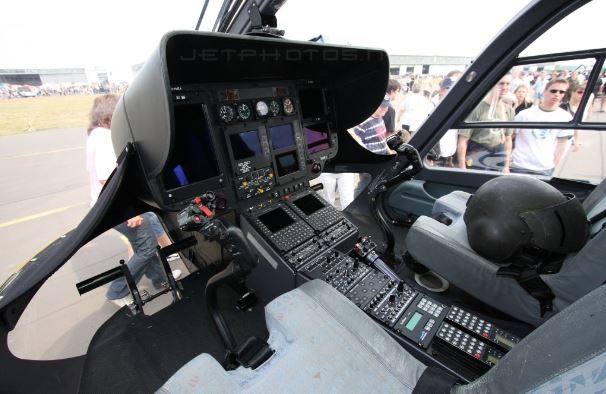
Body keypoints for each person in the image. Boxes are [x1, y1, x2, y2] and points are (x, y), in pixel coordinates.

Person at [85, 94, 179, 307]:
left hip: (109, 204)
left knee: (147, 240)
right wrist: (132, 212)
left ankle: (161, 281)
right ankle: (117, 291)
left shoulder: (95, 134)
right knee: (145, 247)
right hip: (116, 207)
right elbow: (105, 179)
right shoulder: (104, 139)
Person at [511, 78, 573, 176]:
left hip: (545, 167)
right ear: (545, 91)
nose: (557, 94)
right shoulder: (525, 114)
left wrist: (554, 163)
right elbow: (511, 136)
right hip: (519, 165)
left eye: (561, 92)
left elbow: (562, 144)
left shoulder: (565, 117)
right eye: (553, 91)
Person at [456, 73, 515, 173]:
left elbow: (508, 139)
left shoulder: (509, 110)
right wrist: (462, 168)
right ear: (492, 84)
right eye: (501, 83)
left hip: (498, 152)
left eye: (508, 84)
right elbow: (463, 140)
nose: (504, 87)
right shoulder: (476, 108)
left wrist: (506, 165)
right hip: (478, 151)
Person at [559, 81, 593, 152]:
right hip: (558, 139)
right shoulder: (562, 107)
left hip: (567, 140)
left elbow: (576, 126)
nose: (582, 95)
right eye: (579, 92)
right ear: (572, 92)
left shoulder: (581, 109)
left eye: (584, 93)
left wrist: (576, 141)